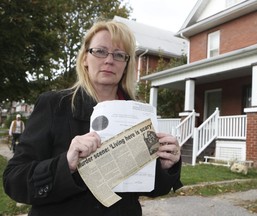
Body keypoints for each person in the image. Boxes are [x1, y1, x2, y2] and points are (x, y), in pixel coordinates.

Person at [3, 19, 182, 216]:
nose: (109, 60)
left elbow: (150, 187)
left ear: (126, 64)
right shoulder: (54, 105)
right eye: (100, 51)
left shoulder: (138, 114)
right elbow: (14, 180)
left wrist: (167, 167)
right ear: (85, 59)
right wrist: (66, 165)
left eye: (119, 55)